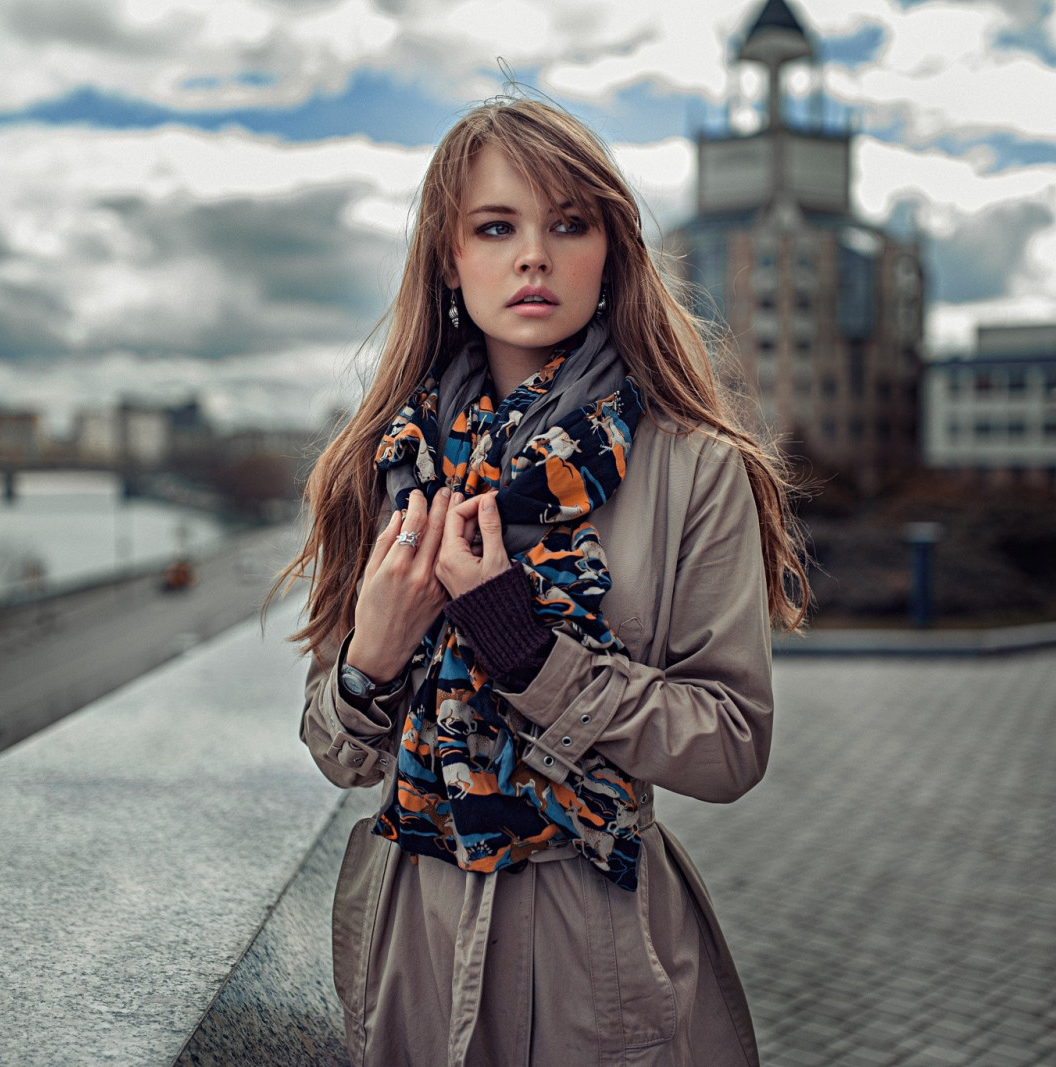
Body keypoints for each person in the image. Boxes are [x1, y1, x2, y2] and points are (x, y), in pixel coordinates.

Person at [274, 95, 810, 1067]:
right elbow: (341, 753)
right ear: (448, 256)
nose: (533, 255)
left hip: (597, 942)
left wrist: (524, 647)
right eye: (495, 226)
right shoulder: (385, 461)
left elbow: (729, 745)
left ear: (611, 250)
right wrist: (374, 652)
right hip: (414, 942)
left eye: (568, 223)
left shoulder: (694, 467)